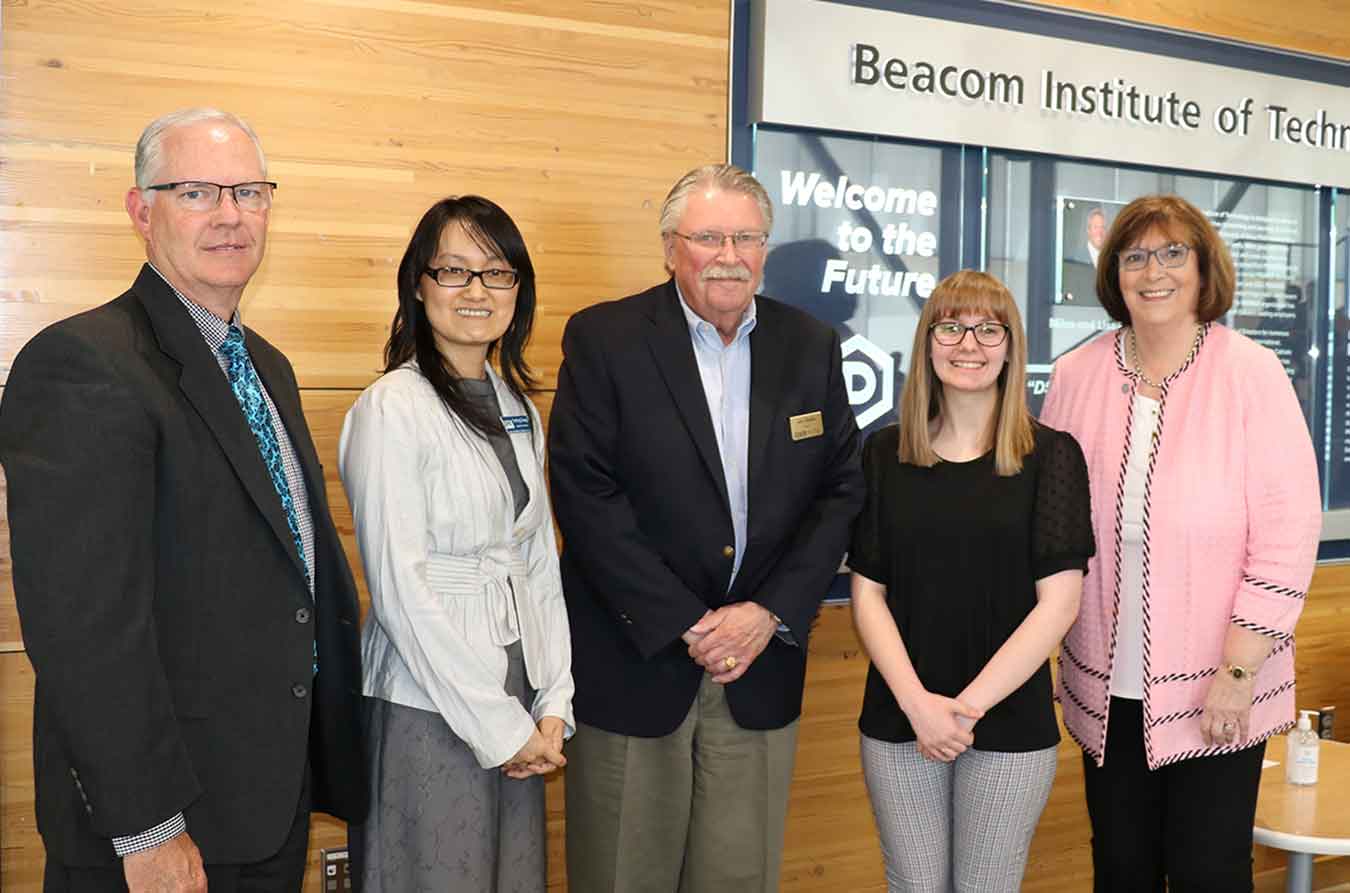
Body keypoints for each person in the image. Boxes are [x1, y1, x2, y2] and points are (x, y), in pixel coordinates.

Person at [0, 107, 366, 891]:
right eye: (196, 191)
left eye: (249, 191)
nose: (231, 215)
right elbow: (86, 631)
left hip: (267, 798)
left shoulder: (266, 365)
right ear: (142, 210)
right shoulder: (82, 363)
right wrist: (150, 829)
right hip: (164, 825)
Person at [548, 163, 865, 893]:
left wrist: (768, 613)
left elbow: (840, 489)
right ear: (669, 248)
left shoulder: (810, 345)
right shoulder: (606, 339)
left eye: (747, 236)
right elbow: (587, 496)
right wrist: (687, 622)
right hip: (636, 662)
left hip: (759, 667)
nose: (730, 253)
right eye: (709, 236)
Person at [1040, 194, 1321, 891]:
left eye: (1173, 253)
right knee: (1122, 869)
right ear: (1114, 274)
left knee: (1210, 872)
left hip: (1220, 687)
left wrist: (1238, 669)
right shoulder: (1074, 376)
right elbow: (1049, 524)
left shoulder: (1251, 372)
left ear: (1202, 270)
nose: (1153, 271)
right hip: (1107, 690)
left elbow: (1287, 532)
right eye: (1135, 256)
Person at [339, 195, 572, 892]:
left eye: (496, 273)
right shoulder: (392, 407)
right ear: (419, 283)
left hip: (517, 697)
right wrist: (498, 725)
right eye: (454, 270)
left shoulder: (518, 405)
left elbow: (536, 565)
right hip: (427, 702)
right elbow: (401, 592)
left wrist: (554, 697)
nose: (477, 291)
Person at [849, 270, 1094, 891]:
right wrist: (918, 707)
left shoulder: (1052, 456)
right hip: (901, 714)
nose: (969, 344)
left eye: (990, 329)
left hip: (1009, 718)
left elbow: (1058, 605)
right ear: (928, 342)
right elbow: (868, 592)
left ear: (1011, 347)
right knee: (915, 885)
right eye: (951, 326)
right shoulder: (884, 454)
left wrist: (964, 711)